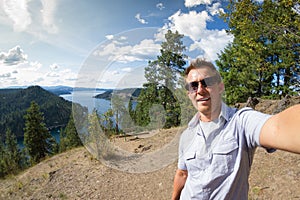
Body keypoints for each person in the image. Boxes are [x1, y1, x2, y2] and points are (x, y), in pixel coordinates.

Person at [171, 58, 300, 200]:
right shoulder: (186, 135)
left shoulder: (241, 121)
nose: (200, 90)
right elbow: (182, 173)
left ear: (220, 87)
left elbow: (277, 127)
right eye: (193, 86)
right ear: (189, 93)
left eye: (207, 82)